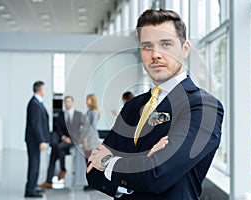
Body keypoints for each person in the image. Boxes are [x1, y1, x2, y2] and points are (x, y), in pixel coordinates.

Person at [86, 9, 224, 200]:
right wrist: (143, 162)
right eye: (147, 46)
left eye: (165, 44)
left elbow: (156, 175)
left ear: (185, 49)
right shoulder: (133, 106)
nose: (155, 54)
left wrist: (109, 162)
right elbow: (93, 172)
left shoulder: (203, 107)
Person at [39, 96, 83, 189]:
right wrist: (63, 137)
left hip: (73, 141)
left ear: (72, 102)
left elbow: (79, 130)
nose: (67, 104)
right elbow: (58, 129)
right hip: (63, 141)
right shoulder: (61, 115)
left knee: (58, 147)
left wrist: (71, 139)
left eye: (69, 102)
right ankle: (49, 181)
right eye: (65, 102)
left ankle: (61, 170)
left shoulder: (78, 115)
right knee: (54, 153)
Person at [24, 81, 50, 198]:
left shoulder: (37, 102)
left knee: (36, 164)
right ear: (39, 90)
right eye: (44, 89)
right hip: (35, 141)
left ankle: (32, 187)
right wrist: (41, 140)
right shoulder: (34, 104)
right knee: (34, 164)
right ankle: (30, 190)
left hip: (35, 140)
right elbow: (36, 124)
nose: (44, 91)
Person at [81, 94, 102, 191]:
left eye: (88, 99)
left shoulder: (93, 112)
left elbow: (91, 128)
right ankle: (92, 183)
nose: (86, 101)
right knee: (89, 162)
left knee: (91, 162)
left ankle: (93, 184)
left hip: (91, 140)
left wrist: (85, 139)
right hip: (88, 139)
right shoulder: (90, 111)